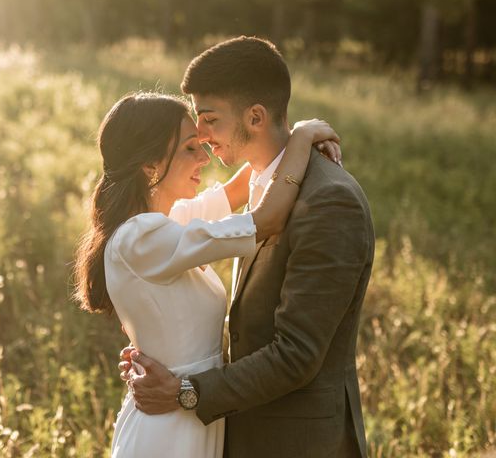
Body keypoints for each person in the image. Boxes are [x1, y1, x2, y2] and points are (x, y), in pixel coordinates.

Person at [118, 36, 375, 458]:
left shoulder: (329, 200)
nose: (201, 137)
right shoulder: (259, 184)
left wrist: (185, 391)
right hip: (244, 432)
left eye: (210, 119)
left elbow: (297, 354)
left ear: (255, 116)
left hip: (300, 445)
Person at [73, 89, 340, 457]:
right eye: (189, 148)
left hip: (191, 414)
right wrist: (304, 136)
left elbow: (236, 191)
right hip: (167, 431)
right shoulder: (143, 238)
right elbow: (267, 218)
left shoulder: (169, 223)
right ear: (150, 165)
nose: (205, 156)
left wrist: (281, 138)